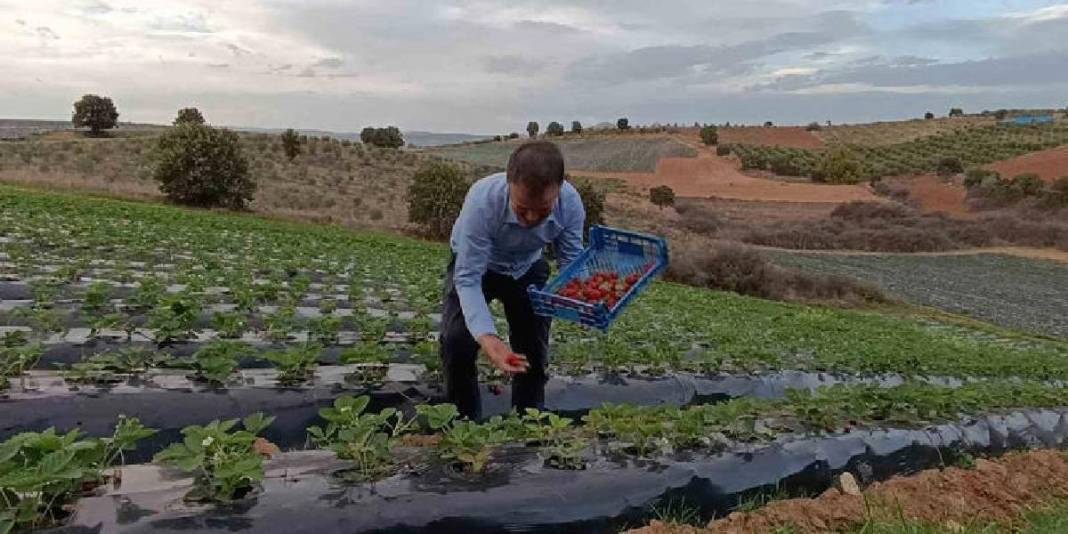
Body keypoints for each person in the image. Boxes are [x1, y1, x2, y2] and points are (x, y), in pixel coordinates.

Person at [440, 140, 585, 419]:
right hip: (480, 266)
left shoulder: (571, 204)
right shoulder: (482, 202)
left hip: (527, 266)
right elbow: (468, 278)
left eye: (543, 210)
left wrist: (582, 300)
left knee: (532, 348)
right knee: (457, 341)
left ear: (558, 189)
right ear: (509, 184)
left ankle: (528, 422)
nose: (531, 218)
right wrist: (488, 337)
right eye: (522, 209)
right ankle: (464, 424)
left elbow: (571, 261)